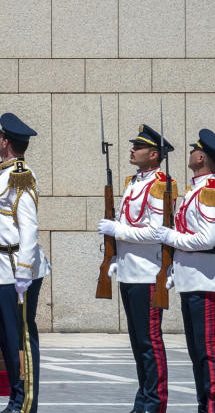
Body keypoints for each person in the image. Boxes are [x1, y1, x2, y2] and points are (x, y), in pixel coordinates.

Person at [98, 124, 176, 413]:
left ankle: (155, 403)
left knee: (149, 342)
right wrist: (114, 255)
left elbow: (157, 232)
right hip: (130, 272)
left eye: (139, 147)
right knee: (137, 343)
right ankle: (142, 399)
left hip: (148, 273)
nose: (132, 149)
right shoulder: (134, 181)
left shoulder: (160, 184)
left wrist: (118, 231)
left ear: (154, 154)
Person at [0, 113, 50, 413]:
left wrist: (23, 272)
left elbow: (29, 227)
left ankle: (26, 403)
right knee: (7, 339)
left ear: (6, 142)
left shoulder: (21, 175)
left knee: (20, 339)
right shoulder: (4, 174)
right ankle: (15, 398)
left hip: (14, 270)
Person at [154, 129, 215, 413]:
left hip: (205, 284)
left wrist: (170, 238)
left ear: (201, 156)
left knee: (208, 355)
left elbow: (207, 239)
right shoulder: (196, 188)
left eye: (194, 150)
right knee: (197, 354)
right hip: (190, 281)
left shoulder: (209, 190)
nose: (190, 153)